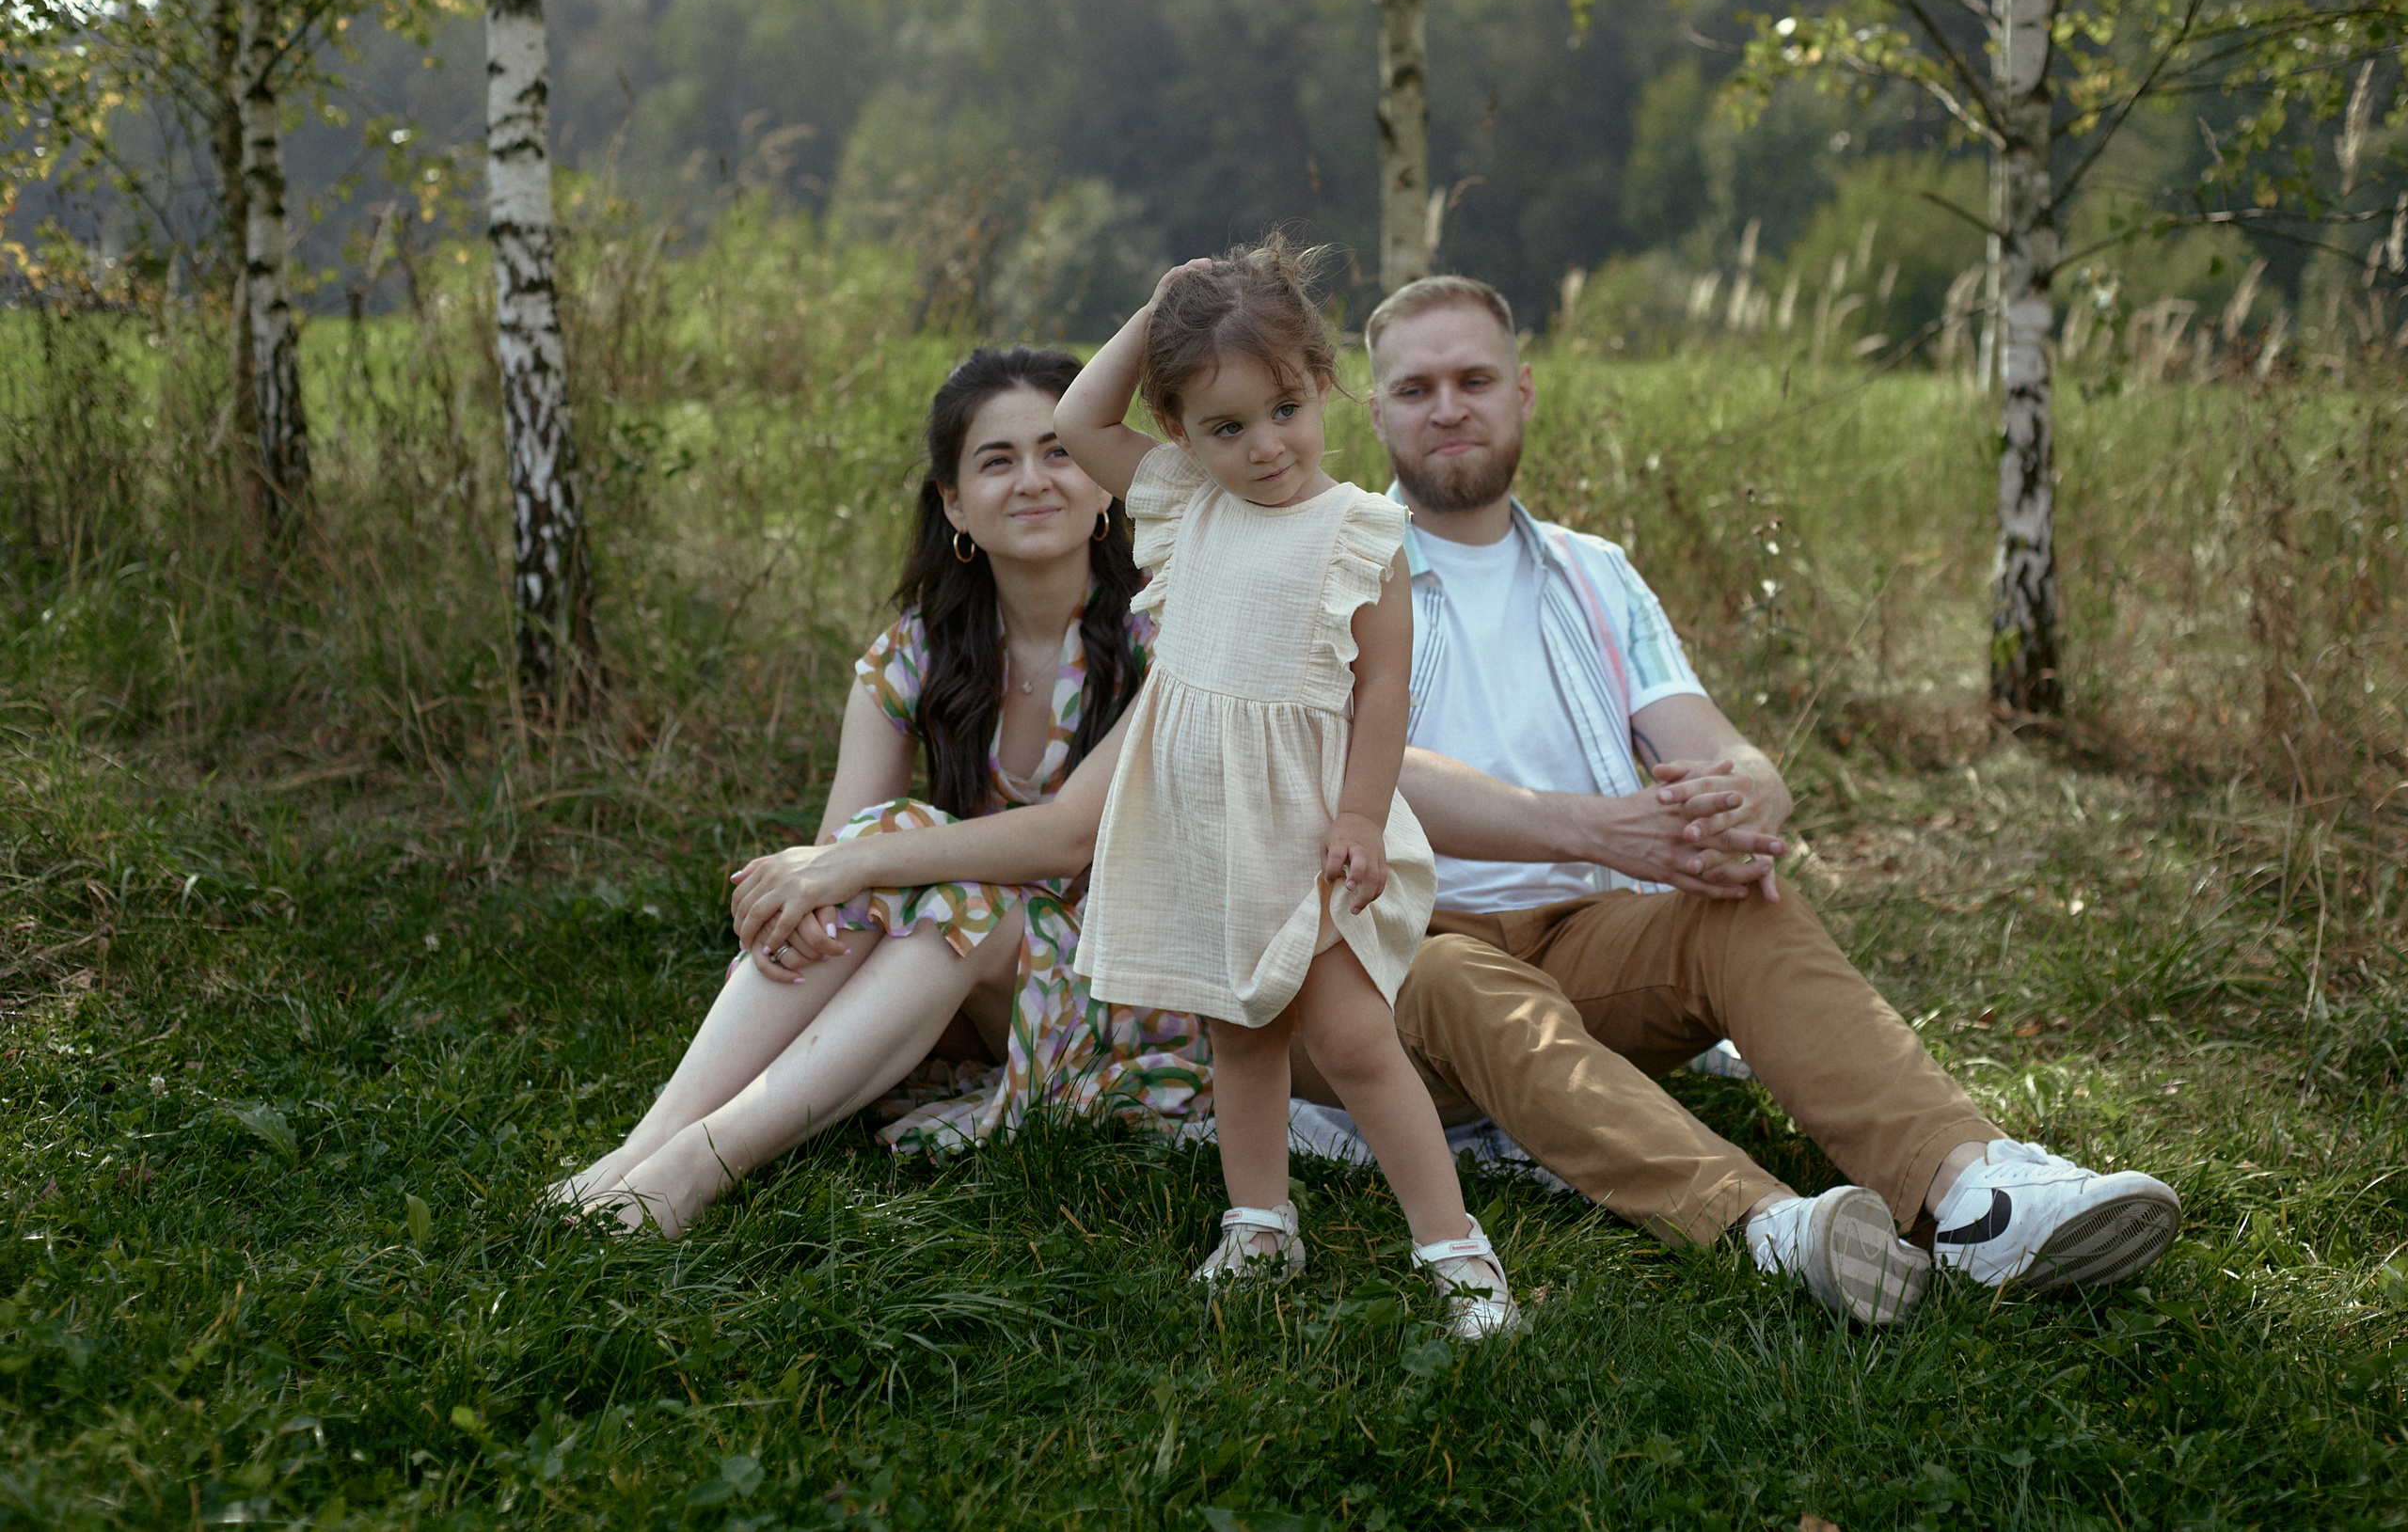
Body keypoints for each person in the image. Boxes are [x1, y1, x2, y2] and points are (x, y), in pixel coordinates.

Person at [1300, 275, 2180, 1327]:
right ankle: (1771, 1227)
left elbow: (1717, 744)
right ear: (1376, 412)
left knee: (1742, 906)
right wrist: (1594, 826)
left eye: (1473, 380)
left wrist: (1745, 795)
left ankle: (1976, 1195)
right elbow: (1346, 770)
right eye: (1416, 388)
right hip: (1396, 953)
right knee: (1458, 975)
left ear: (1523, 390)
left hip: (1581, 938)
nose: (1448, 407)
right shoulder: (1331, 569)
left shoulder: (1594, 571)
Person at [548, 347, 1208, 1237]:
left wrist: (845, 865)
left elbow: (1065, 839)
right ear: (954, 503)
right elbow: (843, 871)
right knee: (876, 865)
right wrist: (819, 884)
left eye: (1058, 451)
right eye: (997, 460)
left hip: (1129, 985)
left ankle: (701, 1165)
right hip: (970, 974)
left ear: (1103, 486)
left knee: (905, 866)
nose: (1032, 480)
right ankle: (645, 1147)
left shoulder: (1166, 636)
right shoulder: (918, 650)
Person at [1051, 240, 1518, 1339]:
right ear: (1176, 430)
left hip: (1313, 828)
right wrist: (1158, 304)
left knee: (1351, 1037)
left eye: (1286, 410)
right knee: (1239, 1032)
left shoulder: (1358, 529)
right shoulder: (1185, 500)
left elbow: (1384, 687)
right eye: (1226, 427)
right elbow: (1076, 419)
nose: (1264, 446)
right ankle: (1259, 1221)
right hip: (1209, 826)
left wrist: (1360, 813)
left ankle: (1454, 1246)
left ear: (1321, 384)